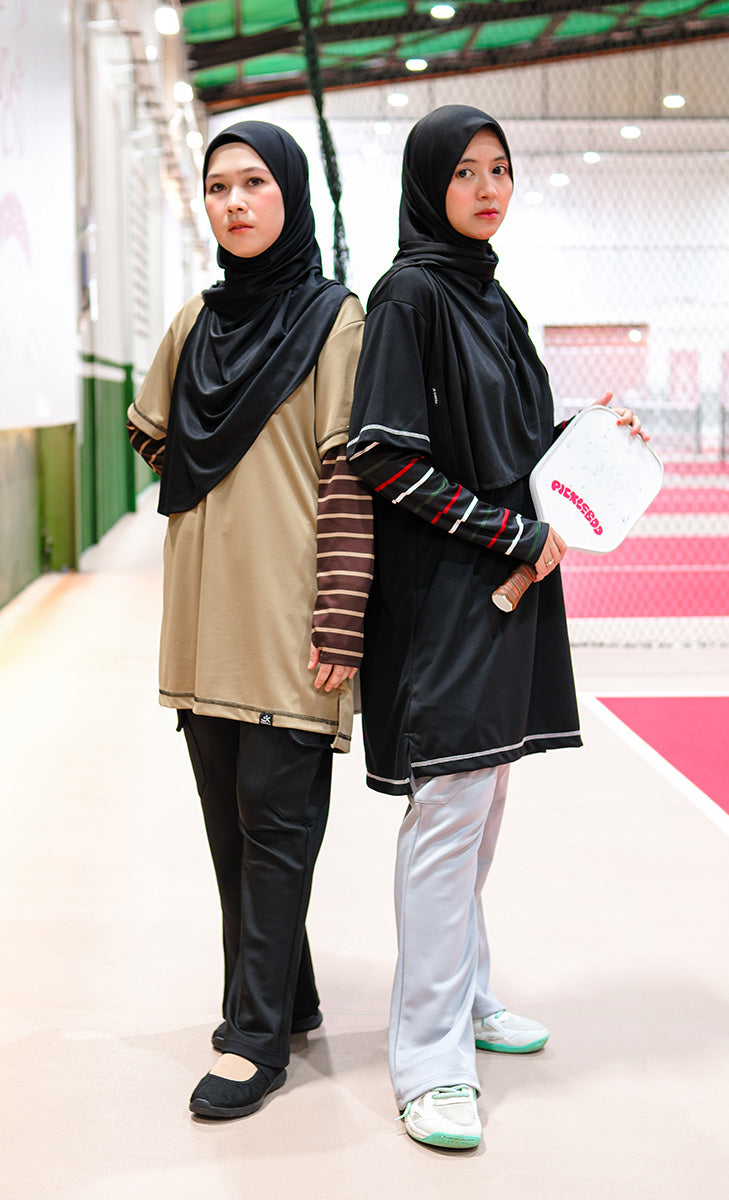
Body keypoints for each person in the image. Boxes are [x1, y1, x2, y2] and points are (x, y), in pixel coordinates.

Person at [347, 104, 647, 1151]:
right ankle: (428, 1061)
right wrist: (505, 530)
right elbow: (381, 452)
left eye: (500, 169)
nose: (486, 188)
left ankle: (467, 996)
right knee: (447, 815)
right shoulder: (410, 295)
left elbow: (504, 445)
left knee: (479, 810)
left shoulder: (490, 297)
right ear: (429, 184)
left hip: (500, 590)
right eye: (465, 171)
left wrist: (587, 435)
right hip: (446, 602)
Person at [127, 121, 371, 1120]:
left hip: (288, 618)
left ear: (290, 194)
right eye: (219, 186)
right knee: (233, 831)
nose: (233, 202)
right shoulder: (196, 319)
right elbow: (151, 431)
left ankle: (256, 1036)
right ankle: (288, 999)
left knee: (276, 827)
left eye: (255, 183)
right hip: (202, 617)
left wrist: (341, 614)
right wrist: (214, 493)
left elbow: (350, 475)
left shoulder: (335, 318)